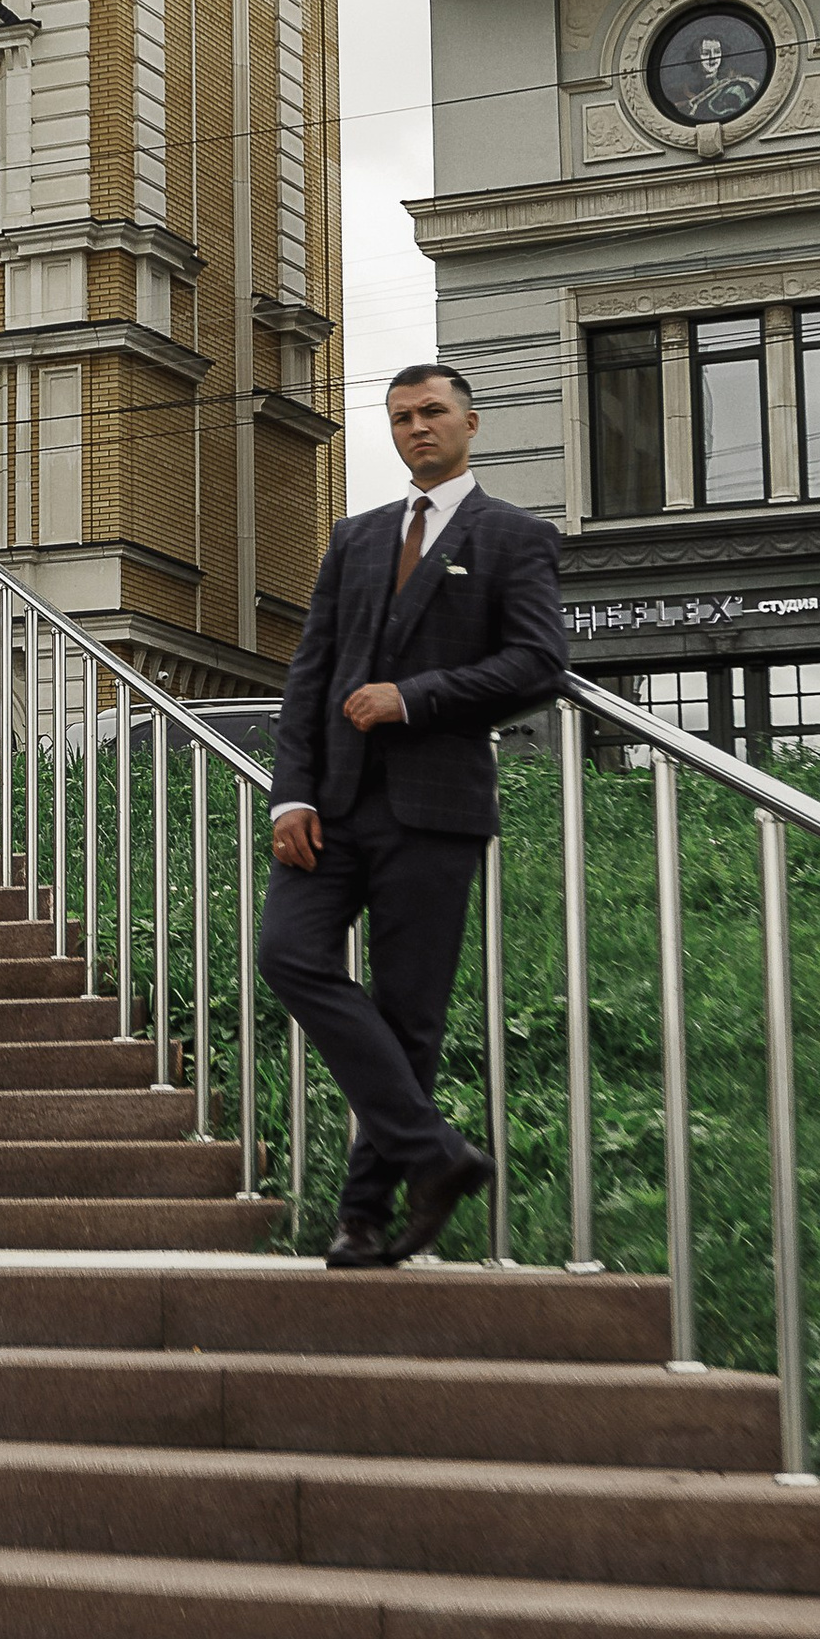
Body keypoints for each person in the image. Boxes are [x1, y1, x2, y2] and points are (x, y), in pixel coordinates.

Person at [260, 363, 567, 1269]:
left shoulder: (515, 537)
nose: (416, 429)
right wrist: (293, 791)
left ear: (471, 422)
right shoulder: (352, 539)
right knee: (287, 954)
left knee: (410, 1017)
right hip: (334, 808)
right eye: (400, 418)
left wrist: (417, 697)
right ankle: (435, 1154)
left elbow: (537, 663)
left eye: (433, 413)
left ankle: (364, 1216)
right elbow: (309, 676)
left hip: (435, 811)